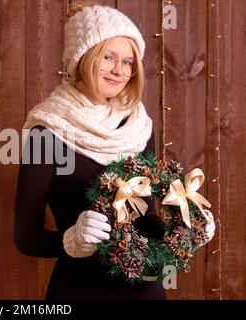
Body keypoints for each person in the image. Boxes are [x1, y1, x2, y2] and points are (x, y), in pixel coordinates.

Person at [13, 4, 215, 300]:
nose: (120, 70)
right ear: (83, 57)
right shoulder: (47, 132)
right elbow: (25, 237)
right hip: (80, 289)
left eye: (128, 62)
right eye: (108, 57)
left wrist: (188, 229)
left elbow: (146, 220)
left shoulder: (138, 126)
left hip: (146, 291)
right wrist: (72, 241)